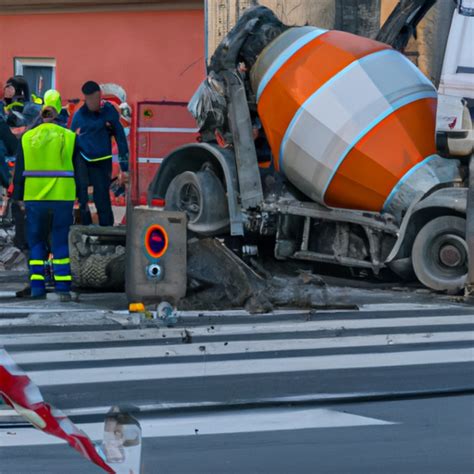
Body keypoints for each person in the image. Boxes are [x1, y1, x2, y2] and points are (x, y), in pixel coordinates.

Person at [12, 90, 78, 301]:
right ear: (59, 110)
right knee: (59, 242)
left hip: (35, 199)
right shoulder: (69, 137)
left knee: (36, 242)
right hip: (63, 198)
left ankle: (38, 288)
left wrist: (18, 199)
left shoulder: (28, 137)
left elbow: (19, 171)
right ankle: (63, 288)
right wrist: (84, 197)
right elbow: (79, 168)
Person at [71, 81, 129, 226]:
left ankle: (106, 229)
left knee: (102, 196)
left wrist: (125, 166)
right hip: (82, 158)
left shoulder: (109, 111)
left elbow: (120, 138)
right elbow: (71, 141)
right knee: (82, 196)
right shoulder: (79, 116)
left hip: (103, 159)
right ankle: (84, 228)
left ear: (100, 96)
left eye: (96, 99)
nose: (93, 103)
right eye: (90, 99)